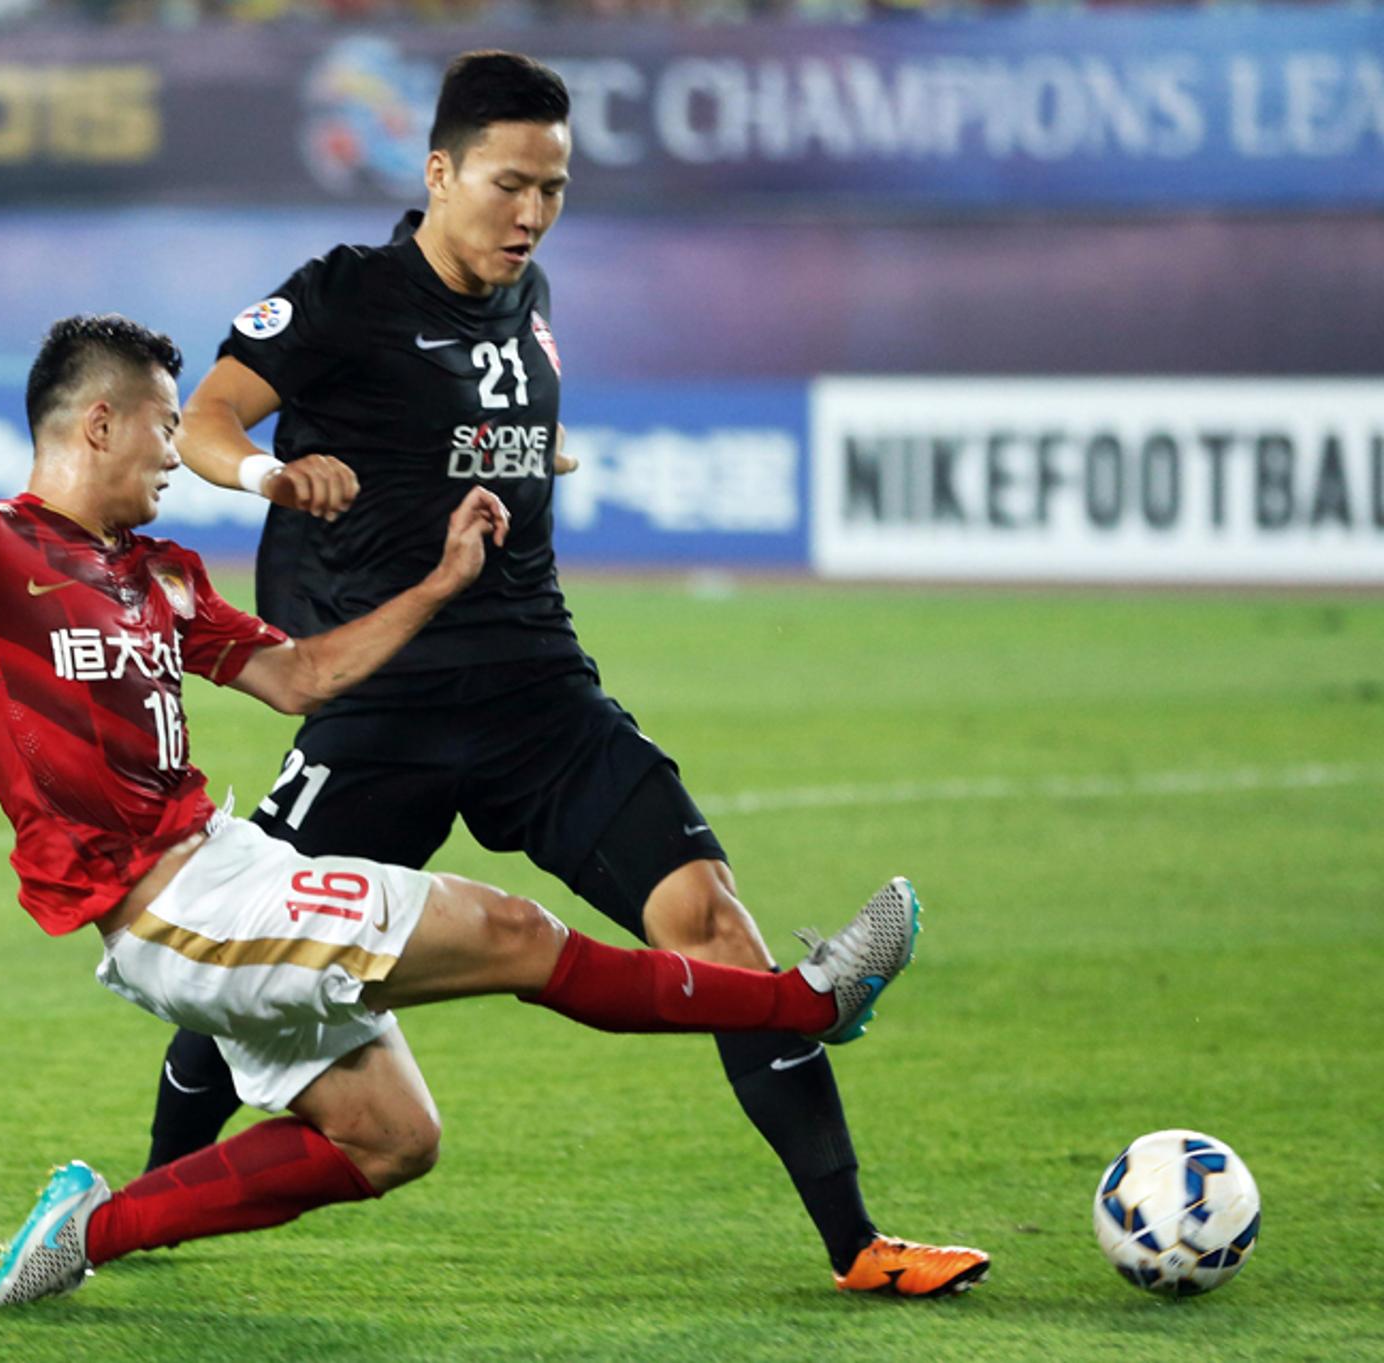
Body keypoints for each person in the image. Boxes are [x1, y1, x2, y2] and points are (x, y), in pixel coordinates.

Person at [0, 313, 921, 1308]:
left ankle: (84, 1235)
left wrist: (442, 584)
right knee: (512, 928)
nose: (180, 452)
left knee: (394, 1138)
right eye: (167, 426)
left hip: (225, 863)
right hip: (162, 901)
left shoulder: (157, 576)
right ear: (99, 424)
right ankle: (808, 1000)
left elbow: (301, 676)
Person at [158, 51, 989, 1297]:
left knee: (717, 935)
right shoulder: (338, 297)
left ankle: (858, 1245)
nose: (532, 213)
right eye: (508, 185)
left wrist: (540, 459)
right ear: (438, 173)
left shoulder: (526, 292)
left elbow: (494, 427)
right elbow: (204, 420)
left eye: (552, 188)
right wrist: (273, 476)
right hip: (379, 710)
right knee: (247, 994)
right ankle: (138, 1205)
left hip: (540, 694)